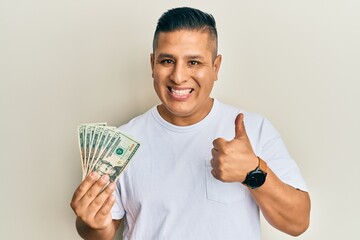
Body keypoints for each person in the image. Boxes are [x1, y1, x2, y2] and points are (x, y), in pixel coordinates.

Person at [70, 7, 311, 240]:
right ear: (152, 65)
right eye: (167, 61)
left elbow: (298, 222)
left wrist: (253, 171)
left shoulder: (255, 130)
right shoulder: (122, 142)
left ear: (216, 67)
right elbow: (101, 232)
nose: (178, 76)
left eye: (193, 62)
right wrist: (92, 224)